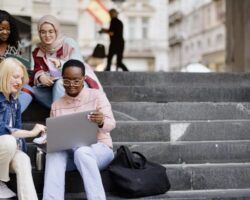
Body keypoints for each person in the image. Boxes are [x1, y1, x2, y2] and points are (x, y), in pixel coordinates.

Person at [42, 59, 115, 200]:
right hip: (70, 155)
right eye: (67, 80)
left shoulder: (97, 96)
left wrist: (101, 121)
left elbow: (111, 124)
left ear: (84, 79)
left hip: (99, 151)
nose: (71, 85)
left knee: (82, 151)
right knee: (53, 154)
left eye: (76, 80)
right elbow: (55, 134)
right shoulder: (57, 105)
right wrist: (48, 139)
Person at [31, 15, 102, 108]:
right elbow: (37, 68)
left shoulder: (68, 43)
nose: (47, 35)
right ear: (39, 33)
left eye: (51, 31)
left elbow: (78, 66)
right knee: (33, 90)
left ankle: (59, 115)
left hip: (77, 83)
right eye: (43, 32)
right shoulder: (39, 50)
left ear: (56, 31)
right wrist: (41, 77)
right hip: (54, 87)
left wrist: (61, 64)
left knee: (60, 83)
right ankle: (65, 108)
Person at [0, 58, 46, 199]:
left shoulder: (15, 102)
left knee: (23, 159)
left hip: (4, 153)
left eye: (21, 78)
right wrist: (31, 132)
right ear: (4, 75)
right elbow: (2, 130)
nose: (19, 81)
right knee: (8, 140)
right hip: (3, 146)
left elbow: (17, 132)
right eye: (15, 77)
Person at [0, 10, 33, 113]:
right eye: (1, 29)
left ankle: (10, 116)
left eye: (8, 29)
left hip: (10, 84)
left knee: (28, 90)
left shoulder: (14, 46)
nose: (5, 32)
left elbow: (21, 71)